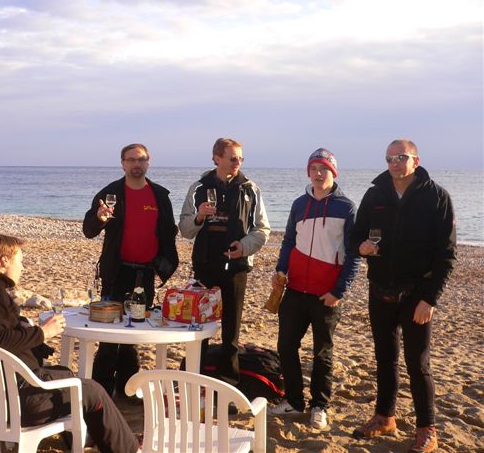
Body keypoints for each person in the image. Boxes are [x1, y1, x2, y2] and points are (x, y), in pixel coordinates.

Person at [0, 235, 139, 453]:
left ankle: (83, 440)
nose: (22, 267)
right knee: (93, 390)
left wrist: (35, 341)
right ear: (4, 261)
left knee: (65, 373)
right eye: (20, 261)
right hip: (14, 401)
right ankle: (130, 450)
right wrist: (42, 333)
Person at [351, 139, 456, 453]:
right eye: (389, 158)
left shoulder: (436, 197)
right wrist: (361, 247)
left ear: (415, 160)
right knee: (385, 359)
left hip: (416, 295)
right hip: (380, 289)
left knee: (418, 364)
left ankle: (426, 429)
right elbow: (355, 237)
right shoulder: (375, 194)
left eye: (401, 157)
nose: (394, 163)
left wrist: (430, 299)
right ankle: (385, 417)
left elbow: (446, 255)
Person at [267, 148, 360, 429]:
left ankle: (320, 406)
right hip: (295, 290)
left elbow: (353, 254)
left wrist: (339, 291)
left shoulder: (346, 207)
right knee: (286, 346)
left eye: (324, 169)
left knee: (322, 352)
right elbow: (289, 241)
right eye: (314, 169)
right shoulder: (299, 204)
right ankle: (294, 401)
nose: (319, 174)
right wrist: (280, 270)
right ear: (308, 172)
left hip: (326, 294)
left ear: (333, 172)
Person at [83, 143, 179, 398]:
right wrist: (99, 218)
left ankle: (127, 391)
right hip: (116, 273)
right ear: (123, 163)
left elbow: (169, 230)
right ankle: (101, 392)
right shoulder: (110, 193)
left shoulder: (159, 195)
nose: (137, 164)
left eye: (141, 159)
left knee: (134, 334)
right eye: (132, 160)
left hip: (145, 274)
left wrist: (165, 263)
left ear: (148, 162)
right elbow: (88, 230)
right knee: (109, 335)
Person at [179, 137, 270, 385]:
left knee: (231, 333)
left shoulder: (250, 189)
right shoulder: (199, 187)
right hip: (205, 265)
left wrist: (244, 246)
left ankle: (230, 384)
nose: (237, 163)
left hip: (236, 267)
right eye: (232, 158)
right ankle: (193, 381)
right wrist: (199, 217)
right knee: (199, 328)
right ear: (216, 159)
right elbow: (185, 230)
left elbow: (262, 229)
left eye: (240, 158)